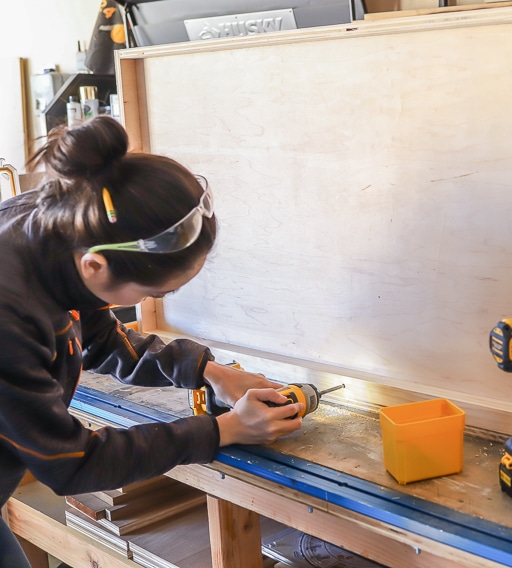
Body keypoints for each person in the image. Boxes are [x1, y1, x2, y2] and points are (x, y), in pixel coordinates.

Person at [0, 116, 303, 565]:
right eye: (154, 293)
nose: (160, 299)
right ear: (96, 267)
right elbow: (72, 462)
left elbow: (98, 337)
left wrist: (207, 371)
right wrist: (224, 430)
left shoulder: (66, 222)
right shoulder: (9, 315)